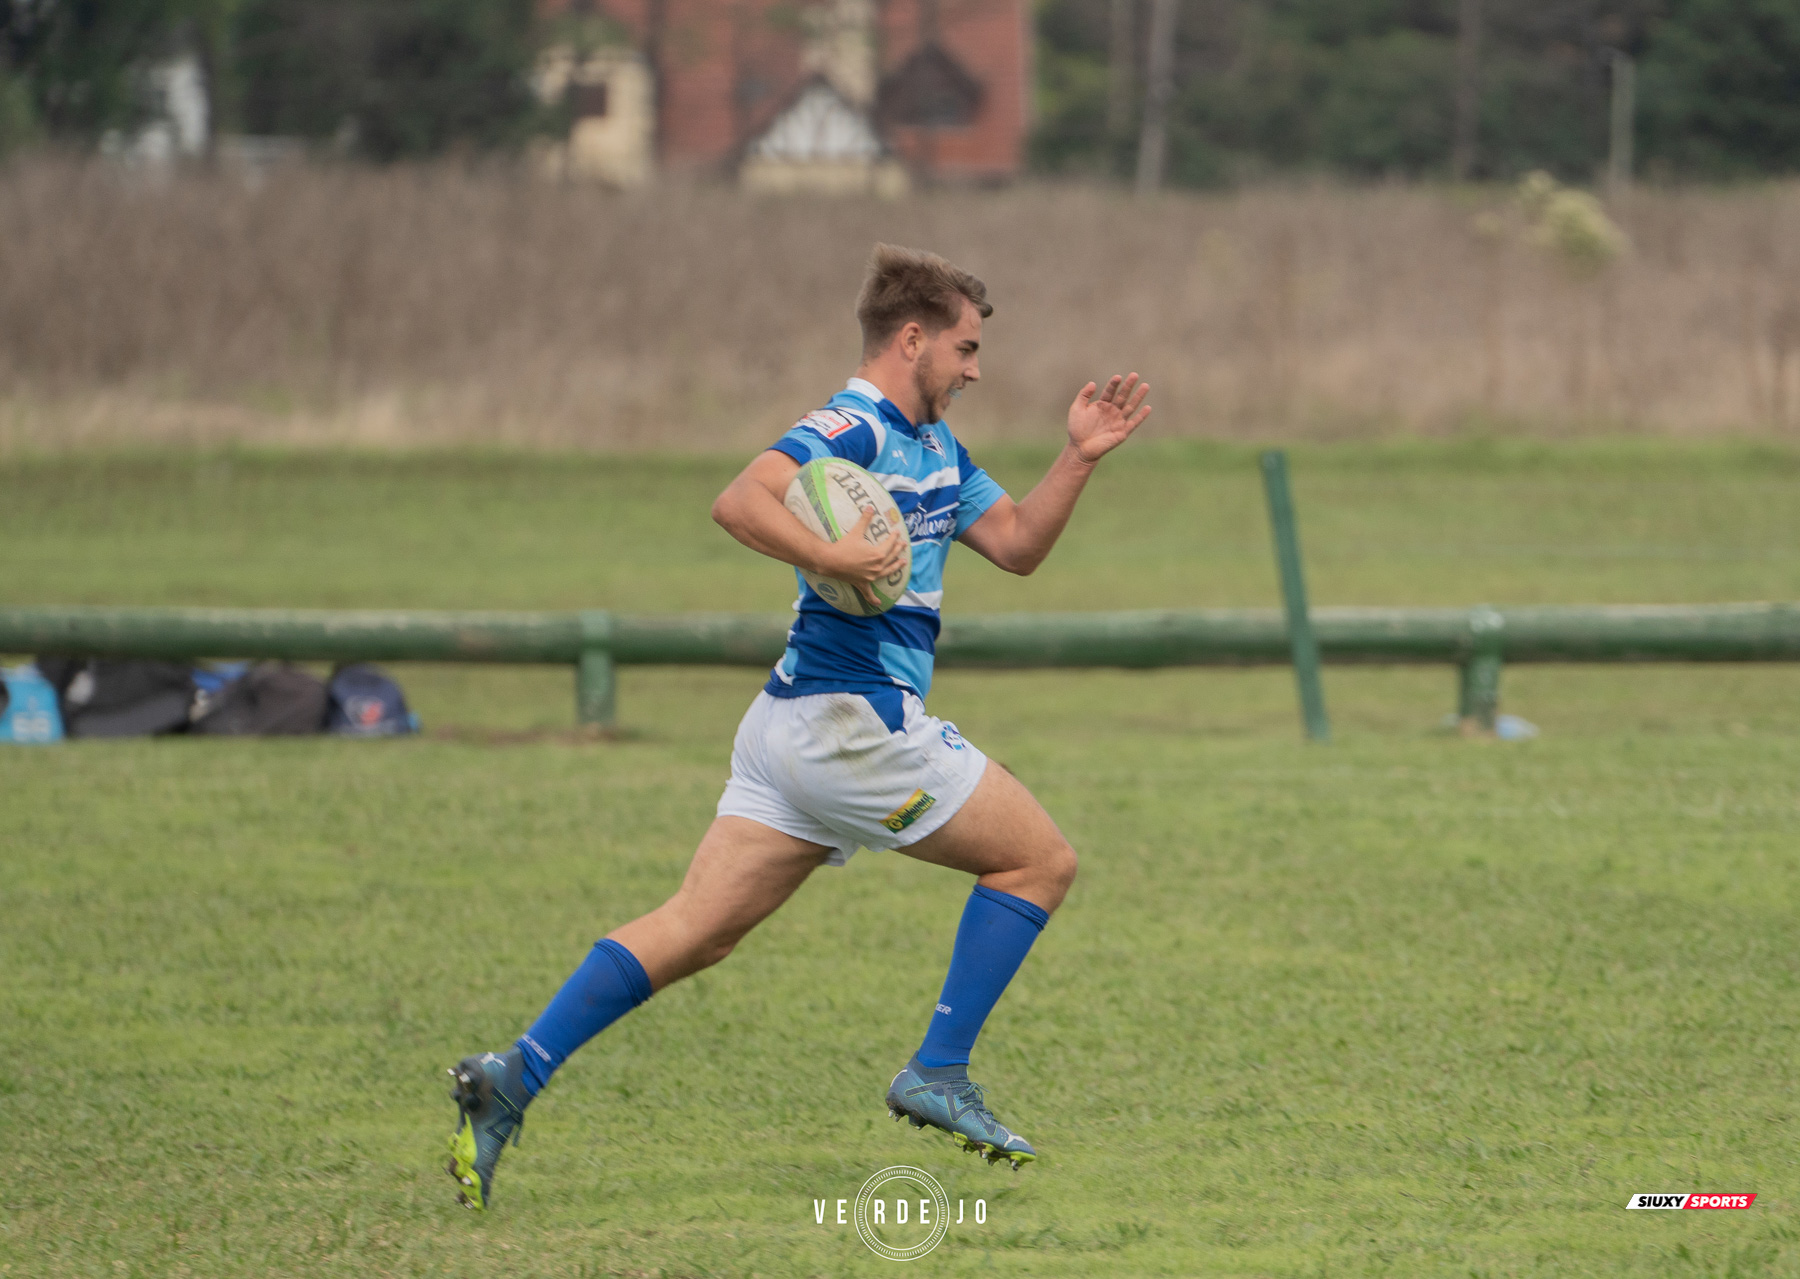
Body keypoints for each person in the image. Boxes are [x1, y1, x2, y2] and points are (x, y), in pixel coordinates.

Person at [445, 243, 1152, 1210]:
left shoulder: (938, 447)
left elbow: (1020, 545)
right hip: (853, 720)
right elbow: (740, 499)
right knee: (1040, 861)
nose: (976, 369)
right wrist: (834, 553)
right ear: (914, 338)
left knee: (696, 930)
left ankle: (512, 1074)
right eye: (967, 347)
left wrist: (1077, 456)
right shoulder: (851, 426)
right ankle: (939, 1068)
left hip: (788, 724)